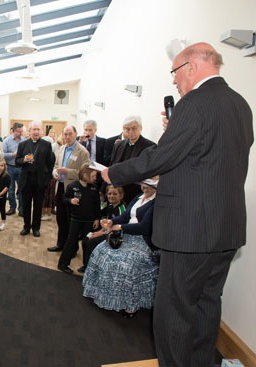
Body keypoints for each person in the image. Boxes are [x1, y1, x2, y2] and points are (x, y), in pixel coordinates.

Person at [101, 42, 253, 367]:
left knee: (173, 312)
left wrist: (112, 173)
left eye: (174, 72)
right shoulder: (240, 104)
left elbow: (160, 158)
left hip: (190, 232)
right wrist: (176, 132)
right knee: (206, 306)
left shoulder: (194, 103)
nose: (173, 81)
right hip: (225, 230)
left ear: (191, 67)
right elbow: (208, 161)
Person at [82, 181, 159, 318]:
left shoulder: (157, 203)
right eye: (144, 184)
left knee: (125, 263)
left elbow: (144, 227)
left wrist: (120, 227)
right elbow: (125, 216)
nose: (145, 187)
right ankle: (99, 293)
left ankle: (131, 305)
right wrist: (113, 221)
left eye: (149, 185)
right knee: (101, 251)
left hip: (142, 241)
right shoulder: (138, 197)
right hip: (126, 236)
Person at [47, 125, 91, 252]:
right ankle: (61, 244)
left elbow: (85, 174)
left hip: (74, 190)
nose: (67, 137)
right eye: (65, 134)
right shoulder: (61, 149)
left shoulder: (82, 152)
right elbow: (56, 165)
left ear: (76, 134)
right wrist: (55, 172)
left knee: (71, 221)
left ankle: (72, 248)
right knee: (60, 218)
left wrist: (68, 171)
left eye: (70, 134)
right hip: (60, 187)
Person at [57, 164, 100, 275]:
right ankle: (63, 264)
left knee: (87, 243)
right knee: (71, 241)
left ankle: (86, 265)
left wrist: (97, 218)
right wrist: (71, 201)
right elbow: (64, 199)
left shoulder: (94, 188)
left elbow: (97, 205)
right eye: (94, 175)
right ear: (85, 175)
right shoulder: (72, 186)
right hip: (75, 219)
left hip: (89, 221)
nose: (96, 178)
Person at [16, 121, 55, 237]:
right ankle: (26, 227)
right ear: (29, 130)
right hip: (26, 180)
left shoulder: (46, 145)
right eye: (34, 129)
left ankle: (36, 228)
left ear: (41, 131)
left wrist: (47, 179)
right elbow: (17, 161)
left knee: (38, 206)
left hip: (40, 181)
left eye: (38, 129)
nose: (36, 132)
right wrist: (23, 160)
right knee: (26, 206)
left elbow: (50, 163)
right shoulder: (23, 145)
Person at [107, 115, 156, 205]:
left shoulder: (150, 146)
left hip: (136, 192)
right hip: (118, 193)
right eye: (127, 129)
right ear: (123, 129)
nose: (131, 132)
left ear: (140, 128)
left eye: (134, 128)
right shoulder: (118, 145)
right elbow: (112, 165)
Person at [78, 185, 126, 273]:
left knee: (91, 242)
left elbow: (115, 228)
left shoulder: (121, 209)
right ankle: (86, 265)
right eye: (109, 193)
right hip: (106, 231)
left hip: (116, 236)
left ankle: (90, 268)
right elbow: (104, 224)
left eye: (115, 194)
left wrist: (98, 234)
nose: (111, 196)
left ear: (121, 196)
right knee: (85, 240)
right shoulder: (109, 206)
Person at [2, 123, 25, 216]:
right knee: (10, 190)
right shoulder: (7, 141)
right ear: (14, 131)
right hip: (10, 168)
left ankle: (21, 209)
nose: (21, 133)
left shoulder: (24, 140)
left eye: (22, 131)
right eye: (19, 132)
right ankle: (12, 208)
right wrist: (13, 154)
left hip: (21, 168)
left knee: (21, 190)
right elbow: (2, 155)